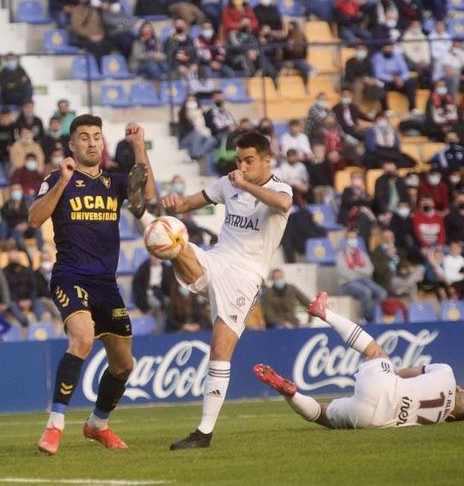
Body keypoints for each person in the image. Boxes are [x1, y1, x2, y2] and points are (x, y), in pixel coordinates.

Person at [136, 130, 292, 449]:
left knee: (219, 350)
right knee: (174, 239)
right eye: (239, 160)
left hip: (245, 277)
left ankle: (204, 433)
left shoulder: (279, 188)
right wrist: (175, 203)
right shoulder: (226, 184)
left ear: (266, 160)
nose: (242, 166)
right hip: (216, 260)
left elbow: (283, 203)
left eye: (249, 161)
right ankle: (143, 214)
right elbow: (188, 204)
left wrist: (244, 184)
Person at [31, 118, 155, 455]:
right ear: (71, 146)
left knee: (123, 365)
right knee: (82, 337)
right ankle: (55, 424)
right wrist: (62, 184)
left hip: (106, 283)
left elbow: (148, 199)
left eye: (97, 137)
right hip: (70, 276)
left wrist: (139, 147)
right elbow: (34, 218)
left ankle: (97, 424)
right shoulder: (57, 179)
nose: (92, 143)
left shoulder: (114, 182)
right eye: (84, 138)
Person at [256, 292, 463, 429]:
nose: (461, 390)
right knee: (323, 414)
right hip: (372, 420)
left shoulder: (446, 374)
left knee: (376, 353)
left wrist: (389, 374)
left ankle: (324, 312)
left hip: (384, 386)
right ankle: (291, 394)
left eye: (462, 393)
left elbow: (410, 371)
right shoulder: (438, 419)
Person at [337, 229, 387, 321]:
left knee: (382, 293)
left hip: (364, 281)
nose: (353, 240)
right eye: (350, 238)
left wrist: (355, 269)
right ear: (346, 240)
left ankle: (370, 313)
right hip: (347, 284)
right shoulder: (341, 255)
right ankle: (366, 318)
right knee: (366, 292)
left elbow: (370, 270)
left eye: (355, 238)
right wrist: (362, 272)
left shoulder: (362, 254)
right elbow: (345, 274)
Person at [372, 43, 419, 114]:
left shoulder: (397, 56)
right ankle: (386, 110)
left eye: (389, 47)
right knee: (380, 83)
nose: (388, 49)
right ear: (382, 49)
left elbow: (405, 71)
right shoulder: (378, 57)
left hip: (399, 81)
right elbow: (378, 74)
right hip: (387, 81)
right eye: (386, 48)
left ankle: (413, 108)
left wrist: (400, 79)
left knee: (411, 82)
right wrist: (393, 79)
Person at [69, 0, 112, 64]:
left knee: (109, 44)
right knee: (97, 47)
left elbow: (101, 25)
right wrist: (90, 36)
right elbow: (77, 27)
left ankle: (106, 68)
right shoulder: (77, 10)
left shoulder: (95, 10)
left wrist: (101, 35)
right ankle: (99, 68)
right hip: (84, 38)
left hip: (98, 37)